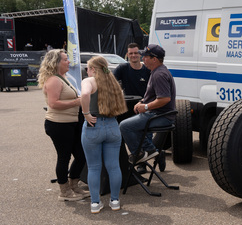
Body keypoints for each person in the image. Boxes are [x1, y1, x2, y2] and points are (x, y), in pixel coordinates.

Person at [38, 49, 89, 201]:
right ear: (56, 63)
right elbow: (53, 103)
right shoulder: (54, 80)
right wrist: (76, 101)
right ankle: (64, 192)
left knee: (80, 155)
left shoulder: (62, 78)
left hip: (70, 123)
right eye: (65, 60)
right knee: (64, 157)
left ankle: (74, 185)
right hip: (59, 124)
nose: (69, 62)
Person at [80, 56, 128, 214]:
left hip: (93, 125)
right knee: (114, 166)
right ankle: (115, 200)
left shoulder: (89, 81)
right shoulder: (112, 81)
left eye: (88, 68)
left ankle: (95, 203)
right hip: (112, 125)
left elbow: (85, 94)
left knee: (94, 167)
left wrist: (85, 113)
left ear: (93, 69)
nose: (87, 71)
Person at [119, 44, 176, 165]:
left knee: (124, 126)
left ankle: (141, 154)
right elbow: (154, 95)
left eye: (145, 56)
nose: (142, 58)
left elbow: (165, 99)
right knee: (133, 126)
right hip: (159, 114)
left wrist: (145, 107)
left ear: (154, 59)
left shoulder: (159, 74)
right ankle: (151, 152)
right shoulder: (156, 71)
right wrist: (142, 102)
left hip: (162, 116)